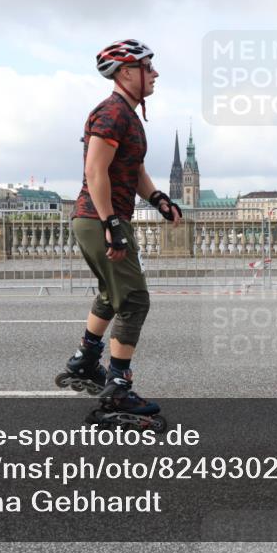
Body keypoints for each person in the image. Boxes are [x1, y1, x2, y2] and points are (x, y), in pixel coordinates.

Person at [57, 39, 182, 419]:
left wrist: (158, 198)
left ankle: (84, 360)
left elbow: (134, 169)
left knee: (112, 295)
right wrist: (111, 222)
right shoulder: (111, 113)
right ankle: (118, 389)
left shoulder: (128, 115)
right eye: (148, 67)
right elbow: (95, 170)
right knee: (134, 301)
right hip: (99, 218)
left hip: (99, 218)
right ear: (127, 73)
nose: (155, 73)